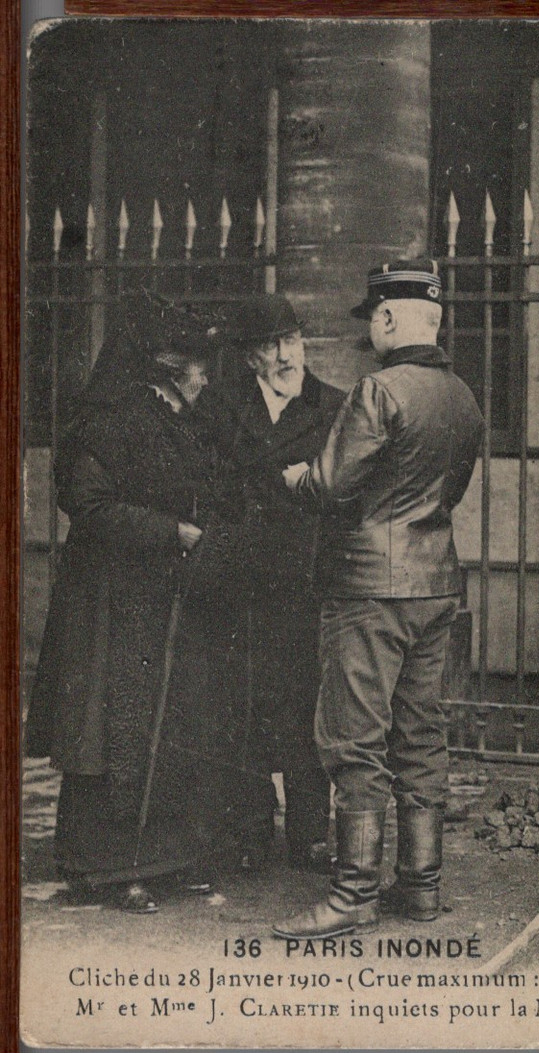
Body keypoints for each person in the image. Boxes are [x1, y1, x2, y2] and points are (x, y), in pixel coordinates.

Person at [272, 260, 484, 940]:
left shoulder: (377, 390)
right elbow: (442, 494)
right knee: (419, 734)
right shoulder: (462, 396)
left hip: (368, 589)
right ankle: (419, 887)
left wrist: (295, 475)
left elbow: (331, 488)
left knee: (353, 738)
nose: (372, 331)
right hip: (436, 582)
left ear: (389, 319)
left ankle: (352, 894)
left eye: (373, 320)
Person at [26, 292, 240, 914]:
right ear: (170, 371)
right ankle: (105, 867)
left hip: (167, 596)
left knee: (167, 726)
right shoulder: (107, 421)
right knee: (109, 731)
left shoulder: (186, 422)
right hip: (109, 602)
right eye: (199, 366)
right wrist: (171, 531)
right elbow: (89, 509)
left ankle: (165, 858)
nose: (206, 377)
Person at [206, 294, 346, 874]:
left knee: (303, 707)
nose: (287, 355)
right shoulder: (220, 408)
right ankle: (248, 828)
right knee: (241, 706)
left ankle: (311, 832)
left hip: (304, 584)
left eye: (293, 339)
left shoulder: (336, 407)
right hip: (238, 585)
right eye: (271, 344)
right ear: (247, 357)